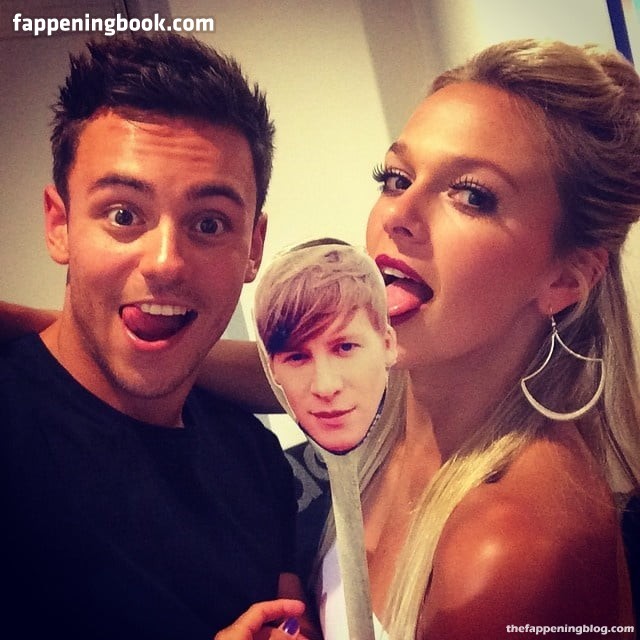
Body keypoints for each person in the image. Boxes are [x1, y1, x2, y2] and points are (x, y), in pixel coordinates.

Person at [4, 38, 640, 639]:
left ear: (564, 280)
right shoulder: (384, 406)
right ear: (60, 224)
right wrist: (63, 328)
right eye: (395, 178)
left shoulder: (508, 543)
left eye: (472, 195)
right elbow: (260, 367)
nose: (398, 214)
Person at [0, 33, 319, 640]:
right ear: (60, 224)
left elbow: (288, 615)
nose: (166, 262)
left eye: (209, 223)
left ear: (253, 246)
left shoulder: (255, 459)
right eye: (123, 215)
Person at [253, 241, 397, 454]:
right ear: (272, 367)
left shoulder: (442, 454)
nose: (325, 387)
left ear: (387, 345)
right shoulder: (270, 469)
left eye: (345, 347)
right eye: (297, 357)